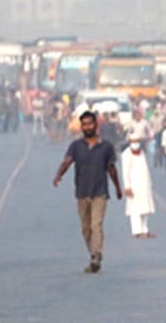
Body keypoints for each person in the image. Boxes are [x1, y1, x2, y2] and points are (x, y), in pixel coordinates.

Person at [53, 110, 123, 273]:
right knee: (86, 228)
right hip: (82, 193)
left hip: (100, 192)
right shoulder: (76, 146)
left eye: (90, 123)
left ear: (96, 125)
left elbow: (111, 169)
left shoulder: (106, 147)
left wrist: (117, 188)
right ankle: (93, 253)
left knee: (96, 224)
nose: (87, 127)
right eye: (84, 124)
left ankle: (96, 256)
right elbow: (67, 162)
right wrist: (59, 175)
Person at [120, 138, 155, 238]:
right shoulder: (126, 155)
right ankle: (136, 231)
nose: (136, 144)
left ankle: (145, 230)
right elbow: (125, 172)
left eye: (137, 141)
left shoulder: (142, 153)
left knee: (145, 208)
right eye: (133, 142)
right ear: (130, 142)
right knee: (135, 208)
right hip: (133, 185)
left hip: (144, 185)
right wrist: (127, 186)